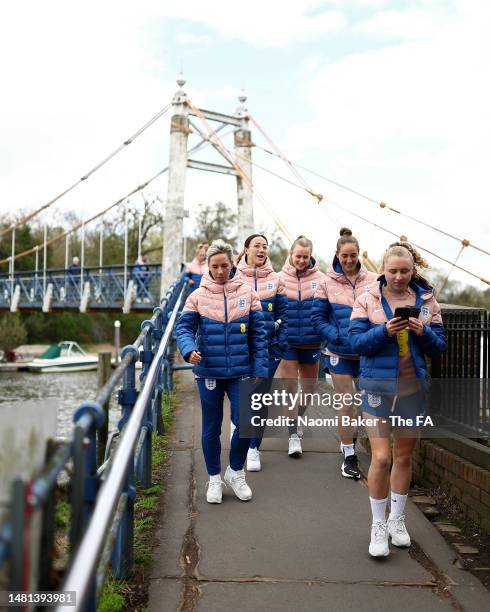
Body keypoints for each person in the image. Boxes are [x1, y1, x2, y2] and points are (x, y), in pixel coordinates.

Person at [349, 242, 446, 557]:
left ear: (413, 270)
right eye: (393, 271)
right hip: (377, 388)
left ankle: (397, 521)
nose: (399, 277)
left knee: (403, 458)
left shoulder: (428, 303)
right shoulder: (366, 299)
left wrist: (423, 332)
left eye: (405, 271)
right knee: (380, 458)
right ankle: (378, 525)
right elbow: (355, 343)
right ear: (383, 270)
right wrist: (384, 332)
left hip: (411, 389)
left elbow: (439, 348)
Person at [176, 239, 268, 504]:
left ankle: (235, 472)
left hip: (241, 370)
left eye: (224, 266)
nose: (219, 271)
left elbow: (259, 336)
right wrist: (189, 349)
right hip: (209, 371)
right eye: (214, 266)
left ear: (232, 264)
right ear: (208, 267)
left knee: (245, 423)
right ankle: (214, 478)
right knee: (211, 427)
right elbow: (183, 329)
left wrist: (260, 366)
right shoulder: (197, 296)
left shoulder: (249, 294)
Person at [312, 228, 378, 480]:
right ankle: (349, 454)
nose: (349, 260)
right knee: (345, 403)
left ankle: (361, 441)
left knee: (369, 404)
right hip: (338, 351)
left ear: (358, 254)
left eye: (353, 255)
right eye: (344, 256)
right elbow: (317, 318)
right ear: (337, 255)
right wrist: (335, 334)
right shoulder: (326, 283)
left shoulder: (373, 280)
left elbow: (381, 311)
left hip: (366, 352)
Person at [235, 233, 288, 471]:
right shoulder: (232, 276)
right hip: (240, 347)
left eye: (265, 246)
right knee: (242, 396)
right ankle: (241, 437)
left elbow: (285, 315)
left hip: (268, 348)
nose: (261, 249)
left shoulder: (277, 280)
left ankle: (254, 447)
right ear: (246, 249)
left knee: (260, 397)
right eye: (257, 245)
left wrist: (277, 337)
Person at [279, 235, 326, 457]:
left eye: (305, 257)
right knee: (290, 391)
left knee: (307, 390)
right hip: (287, 342)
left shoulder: (322, 279)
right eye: (298, 256)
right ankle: (293, 437)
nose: (301, 260)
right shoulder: (279, 278)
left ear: (310, 257)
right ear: (291, 255)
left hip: (312, 342)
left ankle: (297, 418)